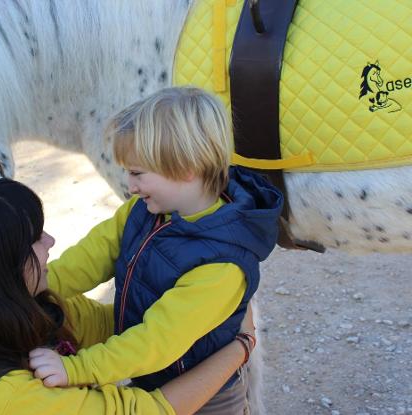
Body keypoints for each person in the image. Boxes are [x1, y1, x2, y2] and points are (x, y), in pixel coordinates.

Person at [0, 179, 256, 415]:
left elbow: (116, 324)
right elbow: (152, 411)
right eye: (35, 239)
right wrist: (240, 345)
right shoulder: (9, 400)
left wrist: (197, 306)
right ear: (0, 270)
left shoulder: (20, 309)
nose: (50, 242)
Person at [29, 87, 283, 414]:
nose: (130, 185)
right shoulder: (144, 210)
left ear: (185, 167)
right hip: (152, 378)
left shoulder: (222, 264)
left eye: (137, 173)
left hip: (206, 397)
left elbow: (155, 342)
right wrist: (34, 289)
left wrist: (76, 369)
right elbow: (90, 256)